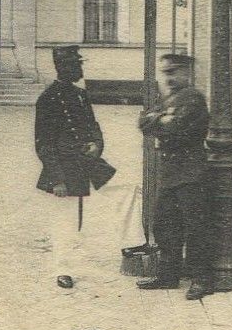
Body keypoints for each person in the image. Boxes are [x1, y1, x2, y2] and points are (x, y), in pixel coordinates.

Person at [33, 45, 117, 289]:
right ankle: (63, 269)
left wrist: (97, 145)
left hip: (88, 162)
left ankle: (132, 245)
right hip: (64, 167)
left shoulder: (81, 95)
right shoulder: (48, 99)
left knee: (125, 190)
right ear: (64, 67)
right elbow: (43, 144)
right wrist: (57, 179)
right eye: (77, 65)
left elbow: (94, 126)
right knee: (65, 220)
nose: (81, 69)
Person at [136, 53, 214, 300]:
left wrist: (158, 120)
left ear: (185, 73)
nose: (167, 77)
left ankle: (202, 279)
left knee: (195, 228)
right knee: (165, 224)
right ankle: (168, 276)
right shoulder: (169, 98)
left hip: (191, 172)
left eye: (173, 72)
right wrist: (161, 119)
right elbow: (143, 122)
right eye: (165, 72)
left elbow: (174, 127)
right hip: (171, 172)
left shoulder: (193, 98)